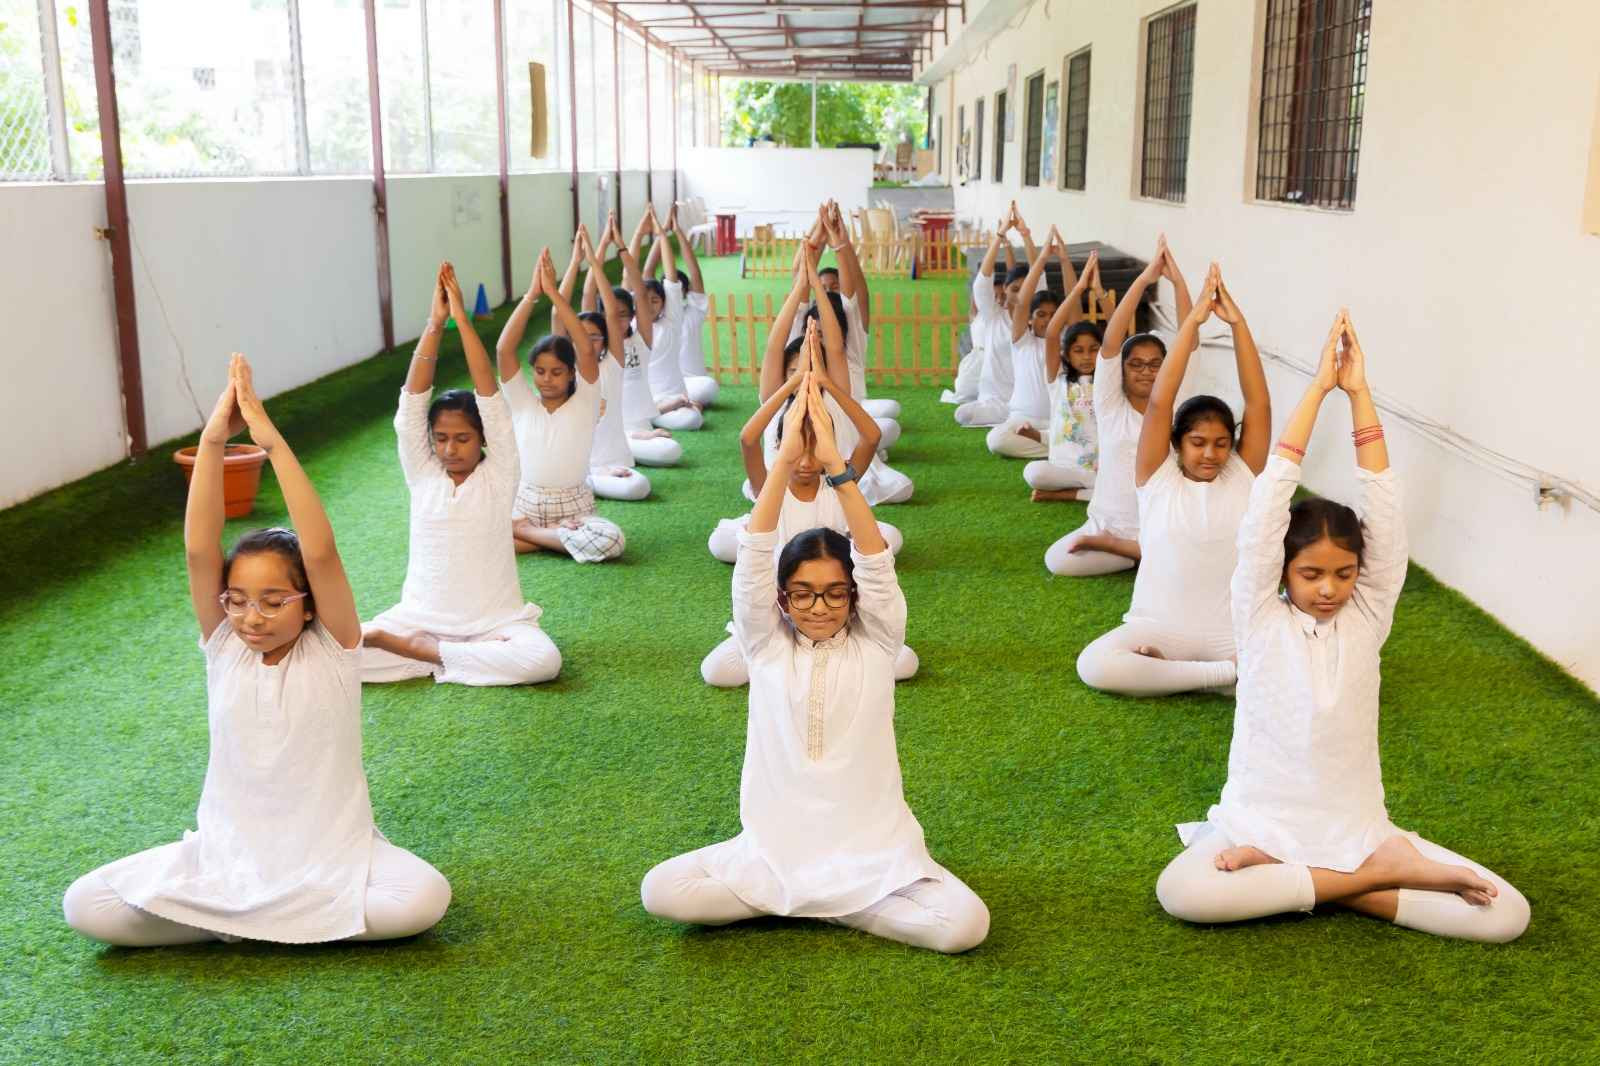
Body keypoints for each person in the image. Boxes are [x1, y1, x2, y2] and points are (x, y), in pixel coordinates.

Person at [1155, 311, 1530, 944]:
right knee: (1182, 893)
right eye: (1311, 574)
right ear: (1282, 569)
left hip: (1357, 828)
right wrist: (1317, 389)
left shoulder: (1368, 615)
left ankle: (1323, 877)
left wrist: (1359, 394)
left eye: (1344, 573)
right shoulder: (1258, 614)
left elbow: (1384, 504)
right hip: (1258, 824)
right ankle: (1368, 879)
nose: (1329, 589)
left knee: (1507, 916)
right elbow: (1268, 505)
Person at [63, 354, 450, 946]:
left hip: (328, 855)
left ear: (308, 603)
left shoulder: (335, 650)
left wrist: (269, 440)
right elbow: (199, 550)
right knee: (84, 906)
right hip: (229, 858)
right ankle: (273, 920)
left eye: (273, 601)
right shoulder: (225, 646)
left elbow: (321, 553)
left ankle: (238, 922)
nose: (251, 617)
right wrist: (213, 440)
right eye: (238, 600)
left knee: (422, 899)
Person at [640, 343, 988, 954]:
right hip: (776, 851)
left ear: (854, 597)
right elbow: (753, 558)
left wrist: (839, 470)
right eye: (802, 594)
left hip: (873, 851)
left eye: (833, 594)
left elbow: (876, 561)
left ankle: (827, 904)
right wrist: (783, 462)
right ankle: (837, 905)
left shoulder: (877, 643)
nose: (819, 607)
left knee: (967, 927)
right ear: (781, 599)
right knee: (661, 891)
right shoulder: (765, 646)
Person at [361, 262, 562, 685]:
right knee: (334, 659)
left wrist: (463, 323)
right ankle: (444, 656)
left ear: (483, 438)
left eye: (463, 439)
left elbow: (490, 397)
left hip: (495, 624)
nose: (450, 449)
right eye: (441, 438)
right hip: (417, 619)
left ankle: (423, 655)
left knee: (544, 661)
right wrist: (434, 325)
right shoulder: (423, 473)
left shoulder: (500, 473)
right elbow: (411, 407)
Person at [1075, 263, 1271, 697]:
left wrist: (1237, 324)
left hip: (1229, 633)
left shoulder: (1242, 475)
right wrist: (1193, 322)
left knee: (1295, 673)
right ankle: (1222, 676)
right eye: (1198, 443)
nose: (1210, 454)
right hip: (1159, 628)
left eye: (1221, 444)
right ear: (1178, 444)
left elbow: (1258, 403)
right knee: (1093, 665)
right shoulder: (1157, 478)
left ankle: (1175, 673)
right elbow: (1161, 402)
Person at [702, 342, 916, 687]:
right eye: (797, 449)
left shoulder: (839, 483)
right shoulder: (771, 489)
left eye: (815, 449)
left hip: (831, 607)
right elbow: (748, 440)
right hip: (784, 607)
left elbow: (872, 435)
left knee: (905, 662)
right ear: (782, 448)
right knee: (717, 671)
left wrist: (826, 383)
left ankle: (805, 662)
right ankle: (802, 662)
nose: (805, 462)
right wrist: (794, 382)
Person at [1044, 235, 1192, 576]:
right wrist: (1144, 279)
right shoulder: (1110, 406)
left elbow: (1189, 337)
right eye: (1136, 364)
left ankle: (1134, 551)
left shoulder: (1174, 405)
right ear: (1121, 371)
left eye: (1155, 364)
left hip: (1158, 523)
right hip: (1106, 523)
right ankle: (1141, 555)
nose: (1146, 371)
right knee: (1058, 560)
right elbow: (1111, 342)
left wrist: (1177, 281)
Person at [504, 244, 626, 563]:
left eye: (557, 372)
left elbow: (585, 350)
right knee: (478, 534)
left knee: (612, 541)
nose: (547, 379)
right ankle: (551, 538)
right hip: (524, 501)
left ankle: (527, 534)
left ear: (571, 373)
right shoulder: (523, 402)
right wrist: (532, 295)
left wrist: (554, 295)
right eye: (540, 372)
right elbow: (504, 350)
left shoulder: (585, 401)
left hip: (573, 507)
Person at [986, 229, 1094, 460]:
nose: (1048, 320)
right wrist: (1042, 257)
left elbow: (1074, 300)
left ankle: (1056, 444)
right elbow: (1023, 301)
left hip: (1060, 418)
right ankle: (1059, 448)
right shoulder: (1021, 340)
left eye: (1054, 315)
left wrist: (1064, 261)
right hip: (1022, 418)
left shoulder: (1066, 341)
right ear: (1030, 318)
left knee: (1085, 433)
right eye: (1041, 314)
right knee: (996, 440)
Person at [955, 205, 1037, 428]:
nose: (1020, 294)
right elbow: (982, 280)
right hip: (994, 401)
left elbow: (1037, 271)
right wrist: (1000, 235)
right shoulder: (993, 316)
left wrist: (1025, 234)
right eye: (1015, 289)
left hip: (1026, 400)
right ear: (1006, 290)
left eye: (1025, 289)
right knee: (962, 414)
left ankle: (1018, 419)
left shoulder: (1035, 320)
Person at [627, 207, 703, 431]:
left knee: (693, 420)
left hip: (672, 398)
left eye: (655, 300)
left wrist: (663, 235)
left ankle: (653, 412)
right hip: (642, 399)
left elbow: (671, 279)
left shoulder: (671, 323)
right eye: (644, 300)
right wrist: (639, 235)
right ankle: (648, 412)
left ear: (664, 303)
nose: (649, 305)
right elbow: (630, 273)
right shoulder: (630, 325)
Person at [1025, 313, 1106, 501]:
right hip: (1063, 468)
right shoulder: (1058, 381)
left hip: (1099, 467)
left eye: (1094, 350)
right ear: (1067, 355)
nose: (1087, 357)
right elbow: (1052, 334)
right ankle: (1092, 488)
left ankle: (1066, 494)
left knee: (1125, 484)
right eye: (1078, 350)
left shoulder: (1108, 381)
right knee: (1033, 472)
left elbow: (1116, 336)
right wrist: (1075, 294)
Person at [667, 204, 719, 408]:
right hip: (666, 385)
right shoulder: (655, 319)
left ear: (686, 291)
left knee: (709, 387)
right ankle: (682, 405)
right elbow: (645, 276)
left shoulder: (693, 312)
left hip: (693, 383)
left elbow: (695, 272)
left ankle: (685, 403)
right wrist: (661, 234)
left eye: (679, 288)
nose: (673, 293)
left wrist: (678, 232)